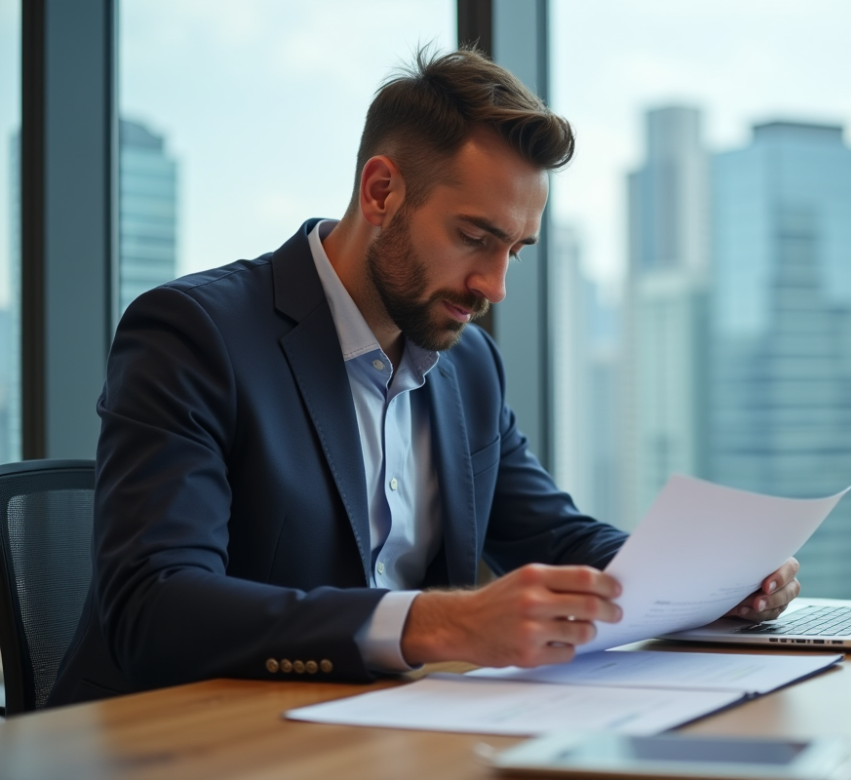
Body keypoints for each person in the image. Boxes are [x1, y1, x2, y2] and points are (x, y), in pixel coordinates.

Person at [49, 48, 801, 707]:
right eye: (475, 237)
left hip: (384, 732)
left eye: (516, 250)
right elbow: (155, 607)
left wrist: (708, 582)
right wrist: (442, 623)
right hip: (184, 741)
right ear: (382, 192)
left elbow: (549, 533)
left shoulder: (467, 363)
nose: (495, 286)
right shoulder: (195, 334)